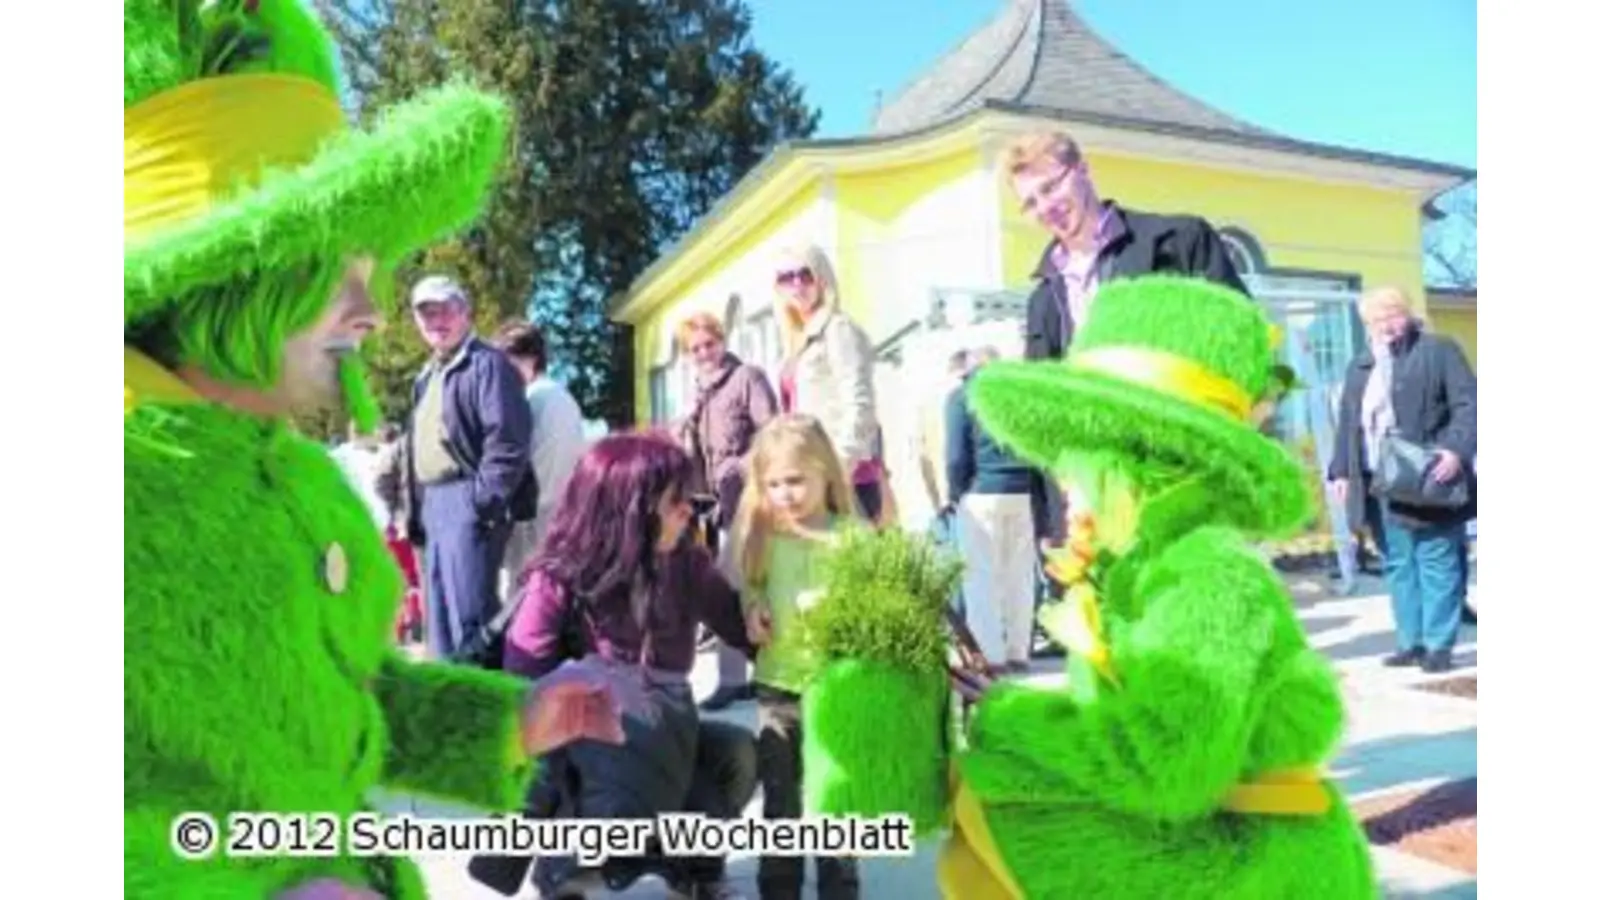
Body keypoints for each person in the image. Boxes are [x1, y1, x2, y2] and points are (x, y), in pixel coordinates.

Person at [122, 2, 621, 896]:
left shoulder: (302, 481)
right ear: (237, 272)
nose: (371, 311)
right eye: (339, 273)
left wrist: (511, 723)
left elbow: (349, 694)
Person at [804, 275, 1376, 897]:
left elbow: (1162, 763)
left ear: (1144, 459)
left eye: (1081, 454)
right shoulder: (1138, 570)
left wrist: (1008, 718)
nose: (1066, 479)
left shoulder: (1207, 577)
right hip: (1208, 830)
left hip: (1258, 864)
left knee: (1010, 828)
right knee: (996, 803)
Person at [503, 433, 758, 900]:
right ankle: (566, 865)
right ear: (628, 508)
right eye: (675, 499)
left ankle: (695, 868)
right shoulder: (560, 578)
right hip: (587, 752)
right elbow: (522, 683)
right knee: (605, 747)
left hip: (663, 738)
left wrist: (772, 619)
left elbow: (742, 627)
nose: (690, 509)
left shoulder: (686, 563)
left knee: (737, 754)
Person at [1006, 130, 1251, 551]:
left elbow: (1243, 346)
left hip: (1186, 483)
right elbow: (1044, 419)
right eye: (1030, 202)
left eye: (1051, 186)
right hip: (1096, 509)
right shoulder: (1043, 301)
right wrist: (1056, 522)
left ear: (1082, 170)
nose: (1046, 207)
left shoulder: (1181, 243)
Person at [730, 415, 866, 900]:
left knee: (834, 799)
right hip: (778, 686)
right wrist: (754, 610)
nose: (785, 494)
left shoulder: (850, 535)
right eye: (774, 484)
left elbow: (875, 604)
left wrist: (841, 609)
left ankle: (840, 889)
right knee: (780, 801)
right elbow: (753, 586)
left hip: (836, 690)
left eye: (796, 481)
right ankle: (779, 890)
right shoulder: (764, 535)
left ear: (825, 473)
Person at [1329, 286, 1476, 673]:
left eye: (1392, 315)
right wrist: (1341, 470)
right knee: (1397, 560)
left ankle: (1438, 645)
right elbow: (1349, 422)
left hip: (1428, 474)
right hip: (1378, 478)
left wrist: (1455, 451)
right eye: (1376, 320)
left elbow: (1468, 405)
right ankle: (1410, 642)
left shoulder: (1439, 350)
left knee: (1435, 557)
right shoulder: (1361, 365)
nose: (1386, 325)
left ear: (1408, 314)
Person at [404, 275, 534, 661]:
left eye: (445, 310)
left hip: (467, 500)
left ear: (465, 312)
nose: (436, 321)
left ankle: (492, 711)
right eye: (426, 314)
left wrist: (482, 503)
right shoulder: (426, 376)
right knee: (440, 626)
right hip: (433, 505)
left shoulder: (488, 365)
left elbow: (508, 441)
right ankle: (455, 712)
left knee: (473, 623)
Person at [673, 311, 779, 711]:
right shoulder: (698, 393)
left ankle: (734, 678)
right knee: (742, 587)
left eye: (709, 344)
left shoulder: (747, 377)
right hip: (717, 507)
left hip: (752, 499)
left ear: (723, 339)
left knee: (733, 586)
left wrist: (742, 465)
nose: (704, 353)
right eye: (695, 348)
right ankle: (758, 672)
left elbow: (772, 432)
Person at [771, 244, 883, 521]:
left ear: (822, 278)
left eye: (805, 274)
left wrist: (840, 467)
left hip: (846, 479)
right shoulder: (794, 342)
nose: (797, 285)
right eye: (786, 278)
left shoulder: (838, 329)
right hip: (810, 475)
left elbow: (861, 405)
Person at [945, 346, 1039, 673]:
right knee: (1020, 576)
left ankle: (991, 655)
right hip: (1022, 492)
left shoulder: (963, 397)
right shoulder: (1019, 397)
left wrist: (957, 493)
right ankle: (1018, 651)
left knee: (980, 577)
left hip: (981, 494)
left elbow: (956, 456)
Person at [493, 320, 586, 599]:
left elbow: (517, 460)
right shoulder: (563, 397)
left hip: (531, 514)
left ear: (530, 359)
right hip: (561, 510)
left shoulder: (529, 399)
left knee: (521, 595)